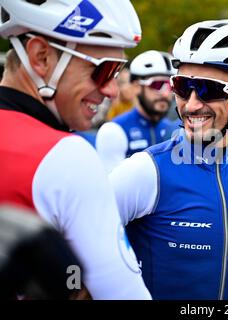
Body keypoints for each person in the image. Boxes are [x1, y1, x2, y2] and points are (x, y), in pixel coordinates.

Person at [109, 20, 228, 300]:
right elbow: (81, 243)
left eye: (209, 89)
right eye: (182, 87)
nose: (192, 104)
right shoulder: (146, 170)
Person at [0, 0, 150, 299]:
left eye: (118, 71)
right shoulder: (66, 156)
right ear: (41, 57)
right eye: (104, 70)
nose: (112, 90)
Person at [96, 50, 178, 171]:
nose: (166, 93)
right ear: (136, 87)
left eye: (171, 85)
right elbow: (112, 188)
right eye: (157, 85)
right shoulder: (114, 131)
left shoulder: (176, 130)